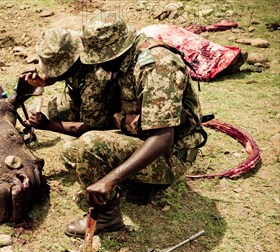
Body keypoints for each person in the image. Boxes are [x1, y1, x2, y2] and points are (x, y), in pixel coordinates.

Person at [30, 12, 206, 237]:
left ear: (117, 51)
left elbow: (163, 138)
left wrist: (109, 179)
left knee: (91, 144)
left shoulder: (157, 68)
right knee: (72, 152)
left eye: (101, 59)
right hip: (144, 137)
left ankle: (107, 217)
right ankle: (140, 181)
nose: (99, 67)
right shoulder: (127, 60)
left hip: (173, 155)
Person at [20, 27, 119, 137]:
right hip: (83, 95)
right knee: (56, 110)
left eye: (56, 70)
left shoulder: (97, 78)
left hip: (109, 110)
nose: (52, 73)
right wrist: (44, 80)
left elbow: (91, 127)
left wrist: (48, 125)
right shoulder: (73, 47)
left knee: (90, 138)